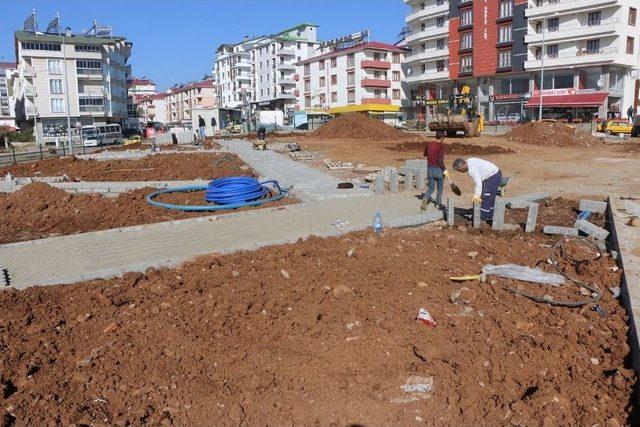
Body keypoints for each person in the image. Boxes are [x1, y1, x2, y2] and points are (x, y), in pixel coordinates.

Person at [452, 157, 502, 221]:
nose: (460, 171)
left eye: (459, 169)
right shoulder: (469, 161)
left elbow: (478, 182)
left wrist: (476, 196)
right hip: (492, 175)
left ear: (463, 164)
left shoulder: (471, 169)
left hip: (493, 175)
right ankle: (489, 215)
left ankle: (483, 217)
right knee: (490, 196)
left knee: (486, 195)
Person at [421, 131, 448, 211]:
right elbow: (440, 160)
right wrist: (444, 170)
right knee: (440, 189)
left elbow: (424, 154)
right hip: (438, 170)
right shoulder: (442, 146)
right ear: (442, 138)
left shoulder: (429, 144)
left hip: (430, 169)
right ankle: (438, 204)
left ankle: (425, 198)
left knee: (431, 188)